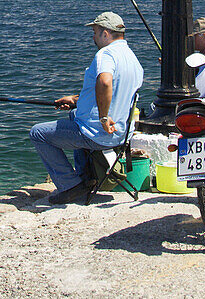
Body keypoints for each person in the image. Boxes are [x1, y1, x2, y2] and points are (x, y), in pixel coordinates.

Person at [29, 11, 144, 204]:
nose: (93, 36)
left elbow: (105, 82)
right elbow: (112, 91)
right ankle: (84, 177)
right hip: (122, 134)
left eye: (95, 31)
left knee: (37, 133)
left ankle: (70, 186)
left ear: (106, 34)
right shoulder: (132, 59)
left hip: (98, 134)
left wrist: (103, 117)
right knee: (74, 114)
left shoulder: (106, 54)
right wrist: (76, 100)